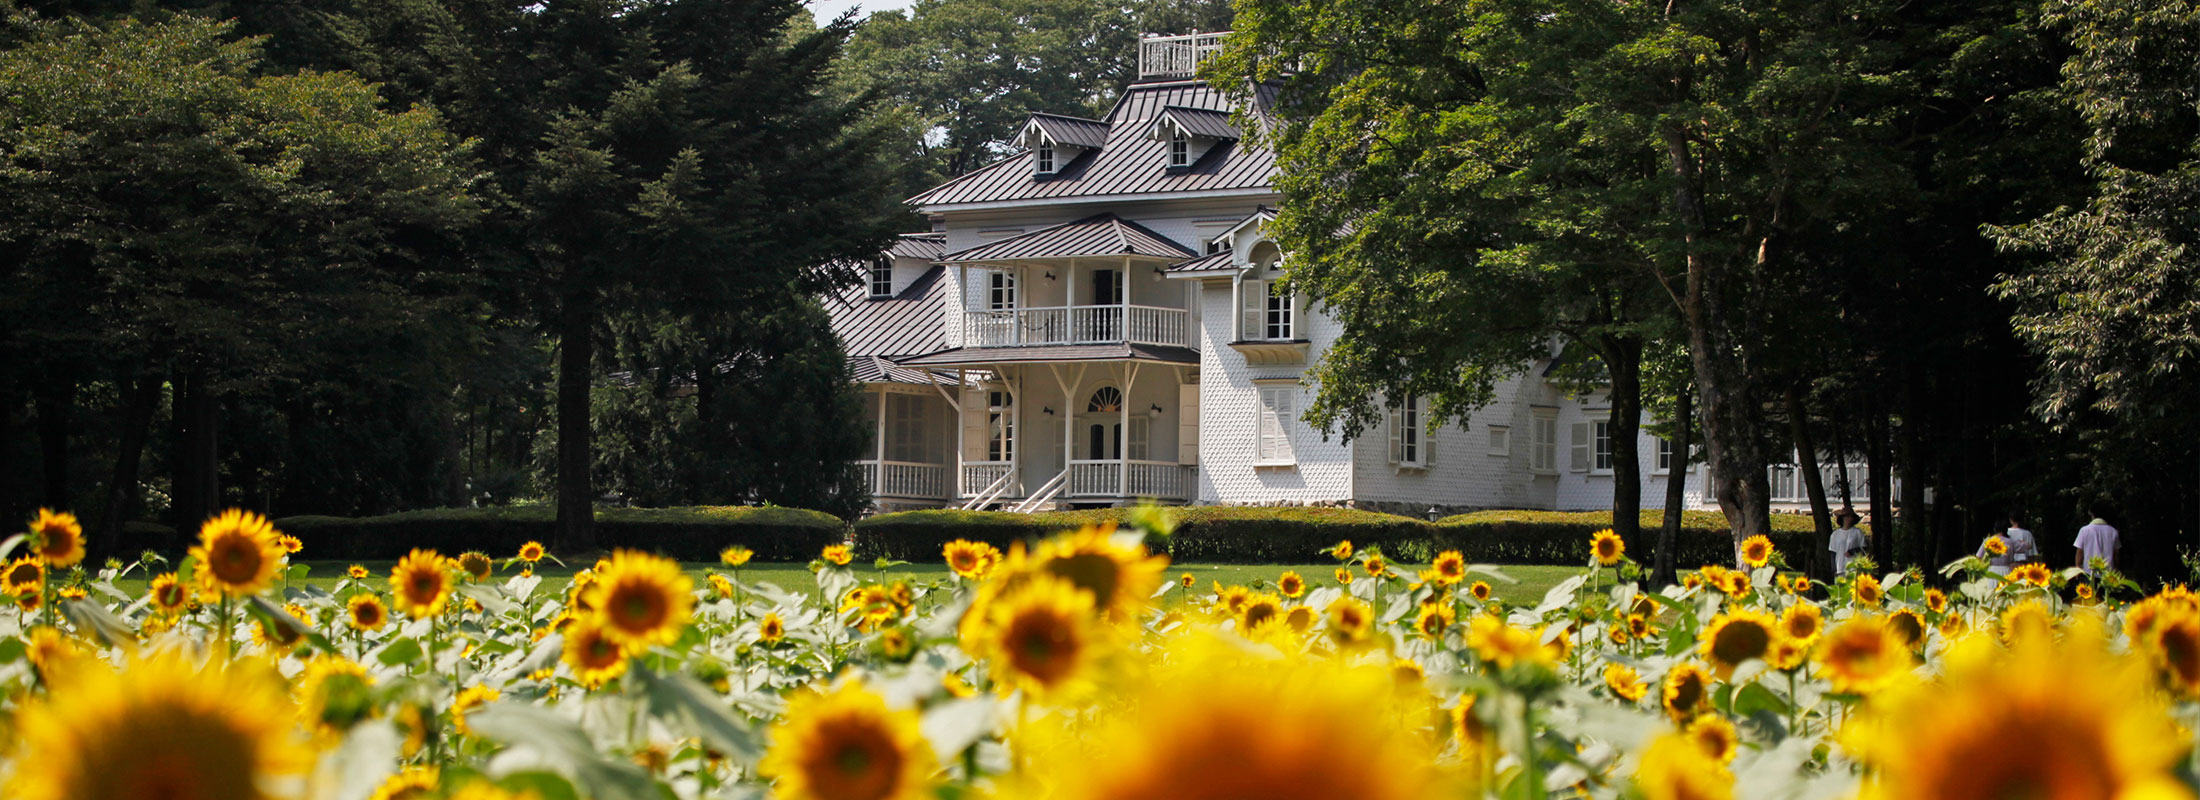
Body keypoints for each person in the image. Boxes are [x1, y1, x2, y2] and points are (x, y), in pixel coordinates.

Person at [1829, 509, 1868, 575]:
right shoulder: (1835, 534)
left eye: (1851, 517)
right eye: (1847, 517)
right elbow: (1833, 552)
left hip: (1853, 568)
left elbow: (1864, 549)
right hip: (1840, 568)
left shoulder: (1857, 532)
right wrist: (1834, 568)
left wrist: (1853, 551)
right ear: (1842, 519)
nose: (1849, 519)